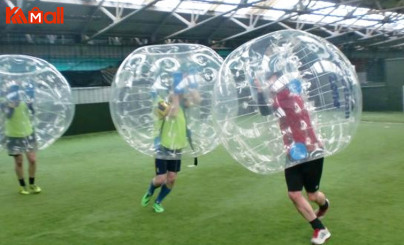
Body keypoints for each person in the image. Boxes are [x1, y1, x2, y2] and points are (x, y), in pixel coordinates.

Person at [254, 65, 330, 244]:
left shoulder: (286, 93)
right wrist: (260, 91)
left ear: (277, 78)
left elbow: (267, 108)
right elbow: (265, 110)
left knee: (312, 195)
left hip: (311, 150)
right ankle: (320, 228)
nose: (268, 82)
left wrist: (261, 91)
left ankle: (324, 204)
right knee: (294, 194)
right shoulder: (280, 94)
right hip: (293, 152)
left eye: (270, 78)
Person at [141, 70, 201, 213]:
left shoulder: (182, 101)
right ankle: (150, 190)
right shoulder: (159, 101)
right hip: (162, 145)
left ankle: (158, 202)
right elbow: (171, 113)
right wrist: (176, 94)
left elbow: (198, 101)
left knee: (172, 178)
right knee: (161, 179)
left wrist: (191, 86)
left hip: (177, 145)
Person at [2, 83, 41, 195]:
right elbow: (8, 116)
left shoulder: (25, 102)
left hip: (28, 133)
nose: (16, 96)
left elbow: (33, 112)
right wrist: (11, 106)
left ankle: (32, 184)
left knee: (32, 159)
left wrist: (30, 104)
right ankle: (22, 186)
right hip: (13, 136)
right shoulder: (4, 103)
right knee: (19, 162)